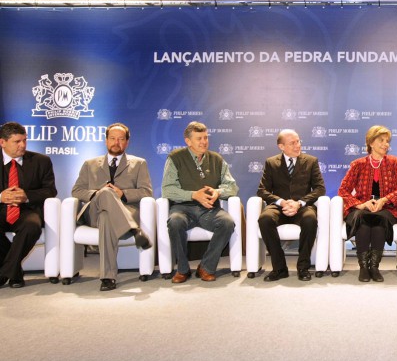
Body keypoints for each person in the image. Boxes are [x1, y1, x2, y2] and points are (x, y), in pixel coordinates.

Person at [72, 123, 153, 291]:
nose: (116, 143)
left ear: (127, 142)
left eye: (121, 139)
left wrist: (122, 193)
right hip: (94, 211)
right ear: (106, 141)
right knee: (106, 193)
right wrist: (98, 194)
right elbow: (76, 191)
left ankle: (108, 277)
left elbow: (146, 192)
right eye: (113, 139)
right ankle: (134, 230)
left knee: (106, 217)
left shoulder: (139, 163)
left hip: (121, 212)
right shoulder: (90, 164)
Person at [162, 121, 238, 283]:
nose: (204, 142)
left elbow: (232, 187)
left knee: (227, 223)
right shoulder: (175, 158)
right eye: (199, 138)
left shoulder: (217, 159)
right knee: (175, 222)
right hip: (183, 208)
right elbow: (167, 189)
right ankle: (182, 269)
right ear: (188, 141)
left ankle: (206, 267)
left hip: (209, 210)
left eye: (205, 137)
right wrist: (193, 195)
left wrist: (218, 192)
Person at [338, 125, 397, 282]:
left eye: (387, 141)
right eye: (381, 140)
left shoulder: (394, 163)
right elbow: (343, 191)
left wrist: (384, 200)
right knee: (363, 222)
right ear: (371, 143)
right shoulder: (358, 164)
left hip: (386, 209)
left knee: (379, 222)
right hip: (362, 208)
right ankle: (363, 267)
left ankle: (374, 267)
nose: (386, 144)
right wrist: (360, 204)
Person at [256, 129, 326, 282]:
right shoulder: (271, 162)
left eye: (298, 141)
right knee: (265, 219)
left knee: (310, 220)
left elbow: (320, 189)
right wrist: (281, 201)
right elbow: (262, 191)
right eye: (292, 143)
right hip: (279, 206)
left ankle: (303, 267)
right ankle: (279, 268)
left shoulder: (311, 161)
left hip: (302, 206)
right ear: (281, 146)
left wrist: (299, 203)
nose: (297, 146)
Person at [0, 122, 57, 288]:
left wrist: (26, 196)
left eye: (25, 140)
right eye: (17, 142)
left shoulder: (41, 161)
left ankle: (4, 272)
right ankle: (15, 272)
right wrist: (1, 196)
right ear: (2, 142)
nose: (22, 145)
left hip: (27, 210)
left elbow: (50, 191)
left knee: (32, 226)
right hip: (1, 208)